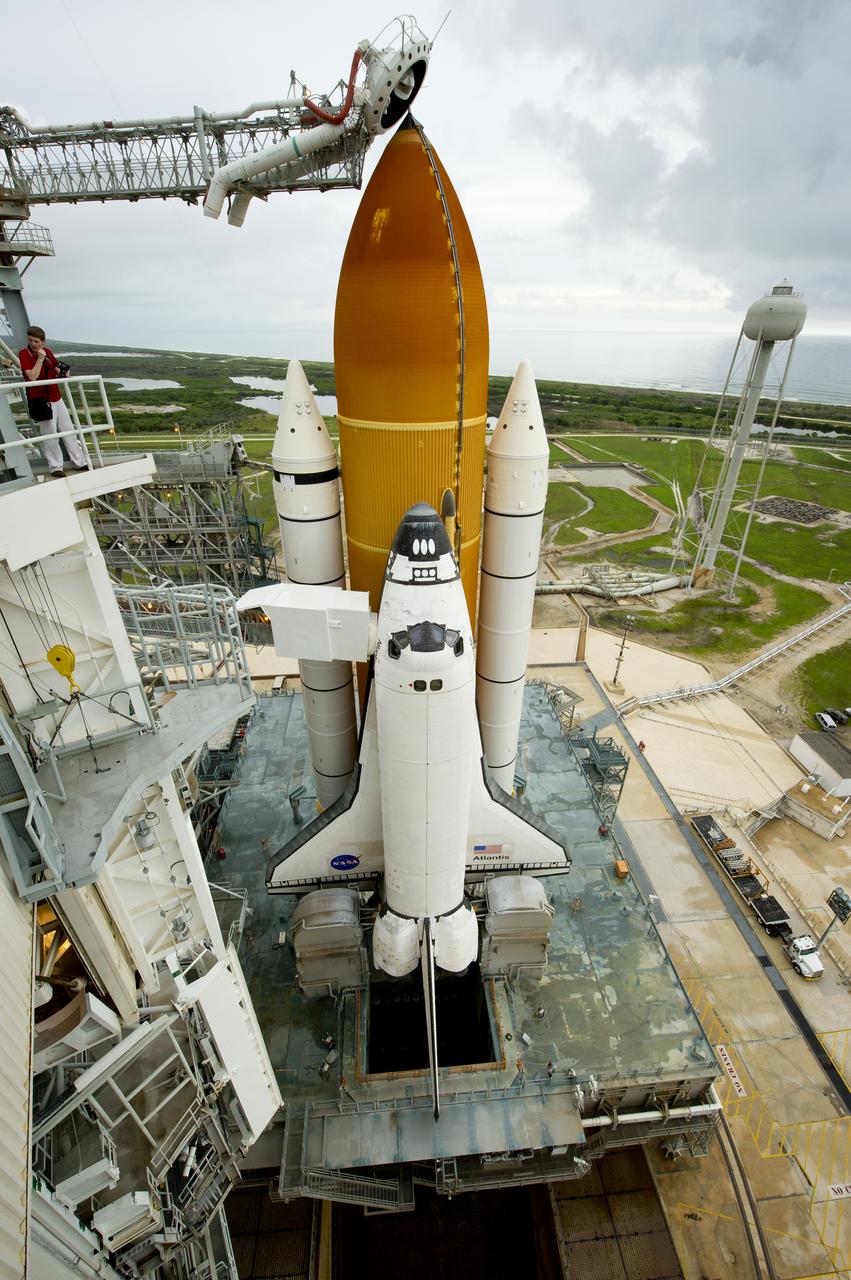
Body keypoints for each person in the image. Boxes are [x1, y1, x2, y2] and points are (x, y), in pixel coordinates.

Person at [18, 326, 88, 477]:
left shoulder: (48, 352)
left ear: (43, 341)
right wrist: (40, 359)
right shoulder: (24, 354)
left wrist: (63, 372)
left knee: (68, 430)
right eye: (30, 340)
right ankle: (55, 467)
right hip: (40, 400)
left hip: (55, 396)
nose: (33, 344)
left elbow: (56, 368)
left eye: (36, 341)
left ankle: (80, 462)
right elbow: (32, 376)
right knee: (50, 434)